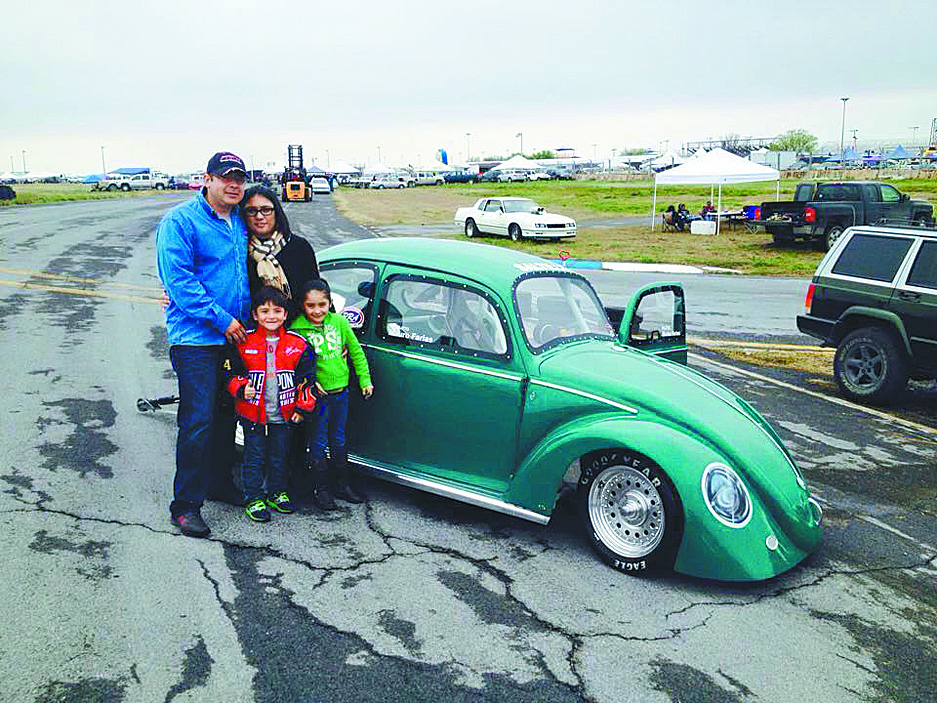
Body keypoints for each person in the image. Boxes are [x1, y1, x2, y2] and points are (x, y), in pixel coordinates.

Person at [156, 151, 251, 538]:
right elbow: (179, 282)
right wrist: (221, 319)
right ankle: (185, 505)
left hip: (237, 337)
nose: (234, 185)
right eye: (226, 177)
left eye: (239, 179)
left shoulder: (241, 222)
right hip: (197, 339)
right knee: (198, 421)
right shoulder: (180, 221)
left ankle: (219, 483)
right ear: (207, 180)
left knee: (229, 414)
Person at [226, 286, 316, 522]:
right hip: (251, 413)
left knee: (279, 455)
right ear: (255, 315)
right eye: (264, 311)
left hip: (284, 414)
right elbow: (231, 373)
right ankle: (253, 496)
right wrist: (240, 387)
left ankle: (277, 492)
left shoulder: (299, 345)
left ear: (285, 314)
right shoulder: (243, 341)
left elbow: (307, 380)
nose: (271, 316)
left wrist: (302, 409)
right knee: (254, 456)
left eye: (277, 311)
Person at [290, 278, 373, 509]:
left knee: (338, 438)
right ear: (303, 305)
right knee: (318, 441)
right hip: (319, 397)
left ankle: (342, 484)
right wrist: (309, 383)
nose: (317, 311)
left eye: (322, 305)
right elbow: (293, 364)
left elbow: (355, 351)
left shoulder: (339, 323)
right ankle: (321, 489)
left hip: (341, 393)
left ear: (329, 303)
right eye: (311, 306)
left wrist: (365, 380)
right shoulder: (297, 329)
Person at [241, 185, 319, 323]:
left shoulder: (300, 247)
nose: (259, 216)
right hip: (251, 336)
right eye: (251, 210)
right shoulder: (239, 251)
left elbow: (316, 293)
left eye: (266, 210)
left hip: (296, 333)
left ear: (276, 211)